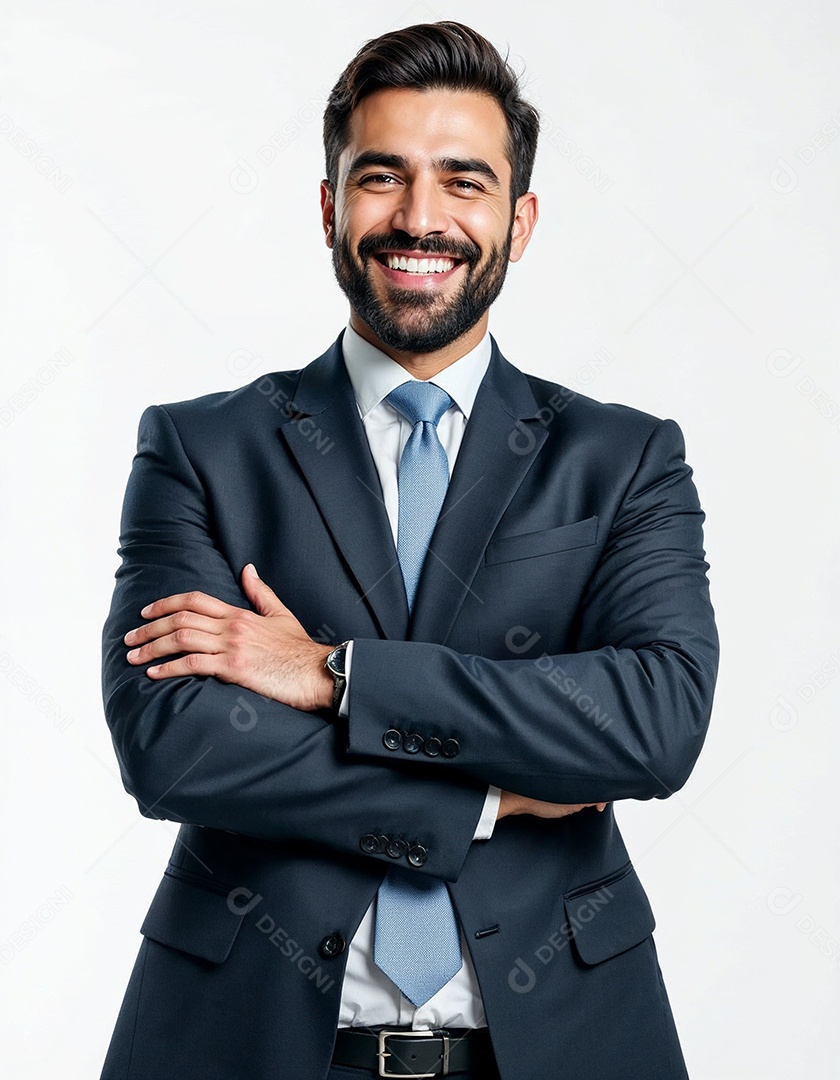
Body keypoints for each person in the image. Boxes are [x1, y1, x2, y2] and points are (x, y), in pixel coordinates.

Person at [100, 21, 718, 1080]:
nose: (420, 218)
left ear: (519, 221)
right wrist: (483, 799)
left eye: (463, 182)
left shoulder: (622, 460)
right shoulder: (203, 448)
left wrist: (337, 676)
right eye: (382, 177)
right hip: (248, 1039)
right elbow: (179, 744)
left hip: (564, 1040)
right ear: (331, 208)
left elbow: (652, 721)